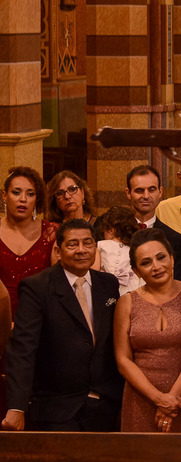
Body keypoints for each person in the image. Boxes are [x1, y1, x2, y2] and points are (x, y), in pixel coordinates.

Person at [2, 219, 123, 432]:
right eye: (73, 244)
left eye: (88, 243)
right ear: (58, 251)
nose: (81, 250)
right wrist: (16, 407)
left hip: (105, 407)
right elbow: (22, 350)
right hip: (56, 408)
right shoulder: (37, 287)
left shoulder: (109, 284)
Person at [114, 228, 181, 433]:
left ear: (172, 259)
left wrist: (171, 399)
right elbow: (123, 360)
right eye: (146, 262)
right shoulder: (127, 303)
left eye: (161, 257)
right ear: (136, 271)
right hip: (140, 401)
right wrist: (158, 398)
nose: (156, 267)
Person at [0, 166, 58, 313]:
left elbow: (59, 285)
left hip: (41, 317)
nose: (23, 199)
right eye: (16, 192)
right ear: (4, 195)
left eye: (30, 194)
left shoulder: (52, 233)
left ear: (37, 198)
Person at [124, 166, 181, 281]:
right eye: (139, 190)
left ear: (160, 192)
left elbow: (179, 285)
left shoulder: (175, 240)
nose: (146, 196)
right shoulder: (113, 231)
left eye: (152, 190)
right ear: (128, 193)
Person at [92, 206, 144, 296]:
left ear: (111, 230)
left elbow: (94, 271)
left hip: (105, 288)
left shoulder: (100, 245)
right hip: (131, 289)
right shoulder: (135, 249)